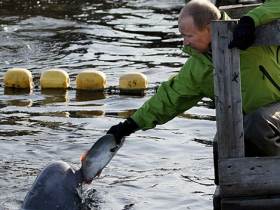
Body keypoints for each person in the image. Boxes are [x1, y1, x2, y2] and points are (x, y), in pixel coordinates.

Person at [107, 0, 280, 156]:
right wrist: (128, 126)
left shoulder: (254, 31)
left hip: (271, 114)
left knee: (257, 123)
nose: (185, 43)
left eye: (188, 36)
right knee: (223, 142)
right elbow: (168, 99)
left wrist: (252, 20)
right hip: (251, 123)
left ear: (210, 28)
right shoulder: (197, 69)